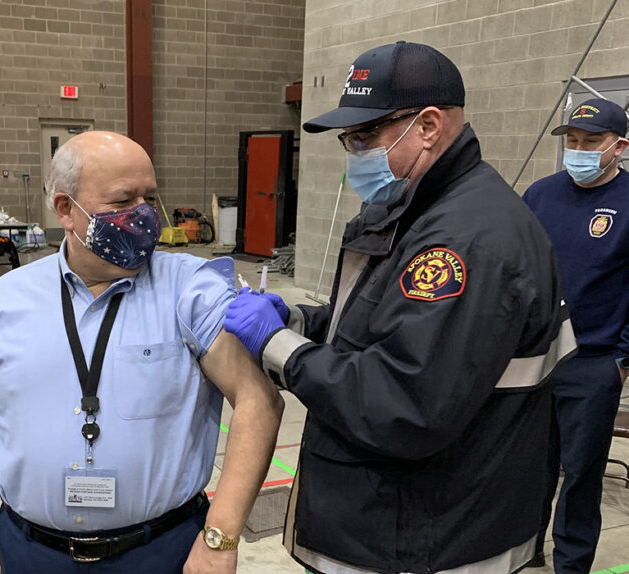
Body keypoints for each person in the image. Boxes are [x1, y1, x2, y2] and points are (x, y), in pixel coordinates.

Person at [223, 41, 573, 574]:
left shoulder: (467, 242)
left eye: (365, 137)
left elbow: (402, 403)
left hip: (430, 538)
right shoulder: (416, 206)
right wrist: (299, 320)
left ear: (428, 126)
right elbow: (380, 324)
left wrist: (277, 347)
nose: (354, 153)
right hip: (398, 524)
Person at [0, 131, 284, 574]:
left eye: (149, 198)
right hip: (32, 555)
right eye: (121, 203)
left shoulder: (190, 289)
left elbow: (259, 400)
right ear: (65, 209)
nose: (143, 215)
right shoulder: (7, 300)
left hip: (161, 551)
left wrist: (220, 537)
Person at [522, 98, 629, 574]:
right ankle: (525, 551)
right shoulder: (540, 195)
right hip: (535, 356)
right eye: (572, 141)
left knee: (581, 475)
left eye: (591, 141)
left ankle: (571, 564)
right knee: (528, 470)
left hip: (594, 361)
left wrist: (621, 359)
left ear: (619, 146)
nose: (578, 149)